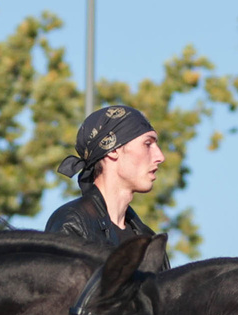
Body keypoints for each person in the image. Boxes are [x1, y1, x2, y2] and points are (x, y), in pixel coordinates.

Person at [46, 104, 161, 247]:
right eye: (147, 144)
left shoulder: (148, 240)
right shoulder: (73, 223)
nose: (160, 157)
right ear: (113, 149)